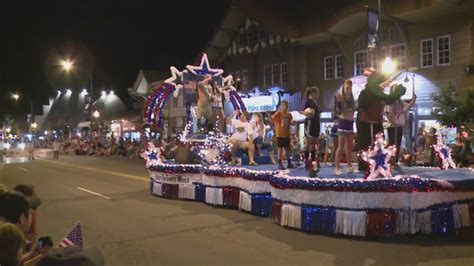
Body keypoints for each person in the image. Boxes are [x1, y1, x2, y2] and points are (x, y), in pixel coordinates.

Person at [356, 69, 406, 171]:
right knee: (365, 145)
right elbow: (388, 99)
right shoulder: (368, 91)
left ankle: (377, 164)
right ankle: (364, 166)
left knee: (379, 144)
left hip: (376, 121)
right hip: (365, 122)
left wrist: (396, 93)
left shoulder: (375, 90)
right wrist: (397, 92)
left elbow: (388, 99)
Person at [385, 86, 417, 166]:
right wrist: (393, 121)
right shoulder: (390, 101)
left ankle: (395, 161)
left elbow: (408, 106)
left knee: (398, 144)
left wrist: (413, 100)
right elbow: (388, 113)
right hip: (392, 126)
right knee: (392, 144)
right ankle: (390, 160)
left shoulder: (400, 101)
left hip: (399, 125)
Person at [334, 79, 357, 175]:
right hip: (343, 123)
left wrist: (353, 108)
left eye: (350, 88)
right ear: (343, 88)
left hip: (350, 123)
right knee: (341, 146)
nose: (348, 90)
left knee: (349, 147)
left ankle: (349, 166)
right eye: (347, 88)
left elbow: (353, 111)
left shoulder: (352, 99)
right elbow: (338, 111)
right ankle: (337, 167)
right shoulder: (340, 98)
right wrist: (339, 102)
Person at [301, 86, 321, 164]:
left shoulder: (314, 102)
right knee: (308, 141)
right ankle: (306, 159)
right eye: (317, 93)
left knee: (314, 142)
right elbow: (303, 111)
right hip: (310, 123)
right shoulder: (308, 101)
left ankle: (313, 160)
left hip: (316, 123)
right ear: (313, 93)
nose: (318, 95)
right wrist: (308, 113)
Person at [272, 100, 294, 170]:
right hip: (280, 134)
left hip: (287, 134)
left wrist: (293, 122)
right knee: (280, 148)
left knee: (287, 149)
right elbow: (272, 119)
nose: (285, 107)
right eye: (283, 105)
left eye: (286, 106)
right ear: (281, 106)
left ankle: (289, 163)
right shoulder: (278, 113)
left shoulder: (289, 114)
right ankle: (280, 163)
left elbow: (290, 122)